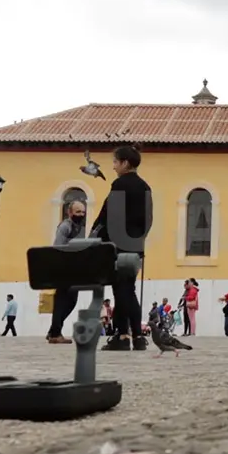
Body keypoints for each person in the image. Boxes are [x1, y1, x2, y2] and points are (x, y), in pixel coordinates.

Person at [91, 145, 153, 351]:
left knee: (121, 290)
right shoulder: (145, 187)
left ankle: (124, 335)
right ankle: (136, 336)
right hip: (135, 245)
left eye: (116, 162)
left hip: (119, 245)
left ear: (125, 163)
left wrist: (100, 240)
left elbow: (110, 216)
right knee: (128, 289)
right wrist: (138, 240)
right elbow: (148, 220)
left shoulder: (120, 185)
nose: (113, 166)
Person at [45, 200, 86, 344]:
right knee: (62, 300)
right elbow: (58, 247)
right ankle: (55, 333)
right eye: (78, 212)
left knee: (71, 301)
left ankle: (53, 330)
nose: (81, 214)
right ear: (70, 212)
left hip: (73, 269)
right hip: (63, 268)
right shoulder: (65, 226)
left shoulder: (79, 227)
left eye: (83, 212)